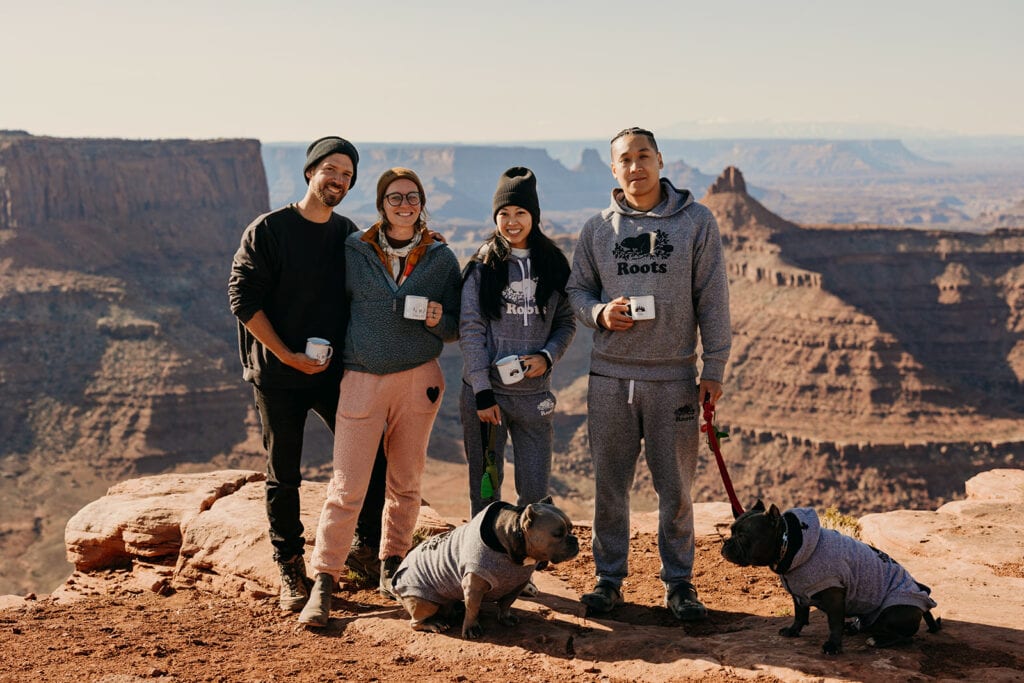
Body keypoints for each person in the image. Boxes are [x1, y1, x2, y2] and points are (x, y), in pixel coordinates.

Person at [565, 127, 731, 621]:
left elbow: (713, 298)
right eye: (625, 160)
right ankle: (608, 580)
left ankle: (679, 584)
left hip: (673, 378)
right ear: (613, 170)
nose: (635, 167)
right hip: (610, 378)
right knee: (609, 485)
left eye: (643, 156)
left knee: (675, 489)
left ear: (659, 160)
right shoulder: (598, 229)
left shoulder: (697, 222)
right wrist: (599, 313)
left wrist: (714, 365)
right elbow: (576, 290)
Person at [228, 136, 388, 611]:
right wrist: (286, 354)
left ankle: (363, 546)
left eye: (348, 175)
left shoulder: (348, 232)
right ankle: (289, 565)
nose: (339, 180)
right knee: (285, 472)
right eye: (331, 170)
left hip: (332, 372)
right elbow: (244, 300)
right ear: (309, 172)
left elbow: (373, 290)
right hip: (277, 375)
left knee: (367, 457)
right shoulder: (269, 230)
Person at [299, 167, 462, 627]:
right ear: (381, 204)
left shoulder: (441, 259)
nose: (404, 204)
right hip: (362, 379)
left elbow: (455, 327)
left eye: (412, 197)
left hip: (419, 379)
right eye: (395, 197)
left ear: (423, 202)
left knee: (405, 483)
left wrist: (436, 320)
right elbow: (326, 299)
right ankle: (324, 581)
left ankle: (394, 566)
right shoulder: (356, 250)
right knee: (347, 486)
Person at [459, 167, 576, 517]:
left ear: (534, 217)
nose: (512, 221)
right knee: (485, 487)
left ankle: (530, 560)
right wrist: (481, 390)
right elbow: (471, 328)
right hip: (488, 399)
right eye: (503, 214)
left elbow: (567, 321)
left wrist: (548, 355)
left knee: (536, 491)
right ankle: (485, 559)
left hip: (534, 396)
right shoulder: (482, 266)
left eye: (520, 213)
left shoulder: (554, 264)